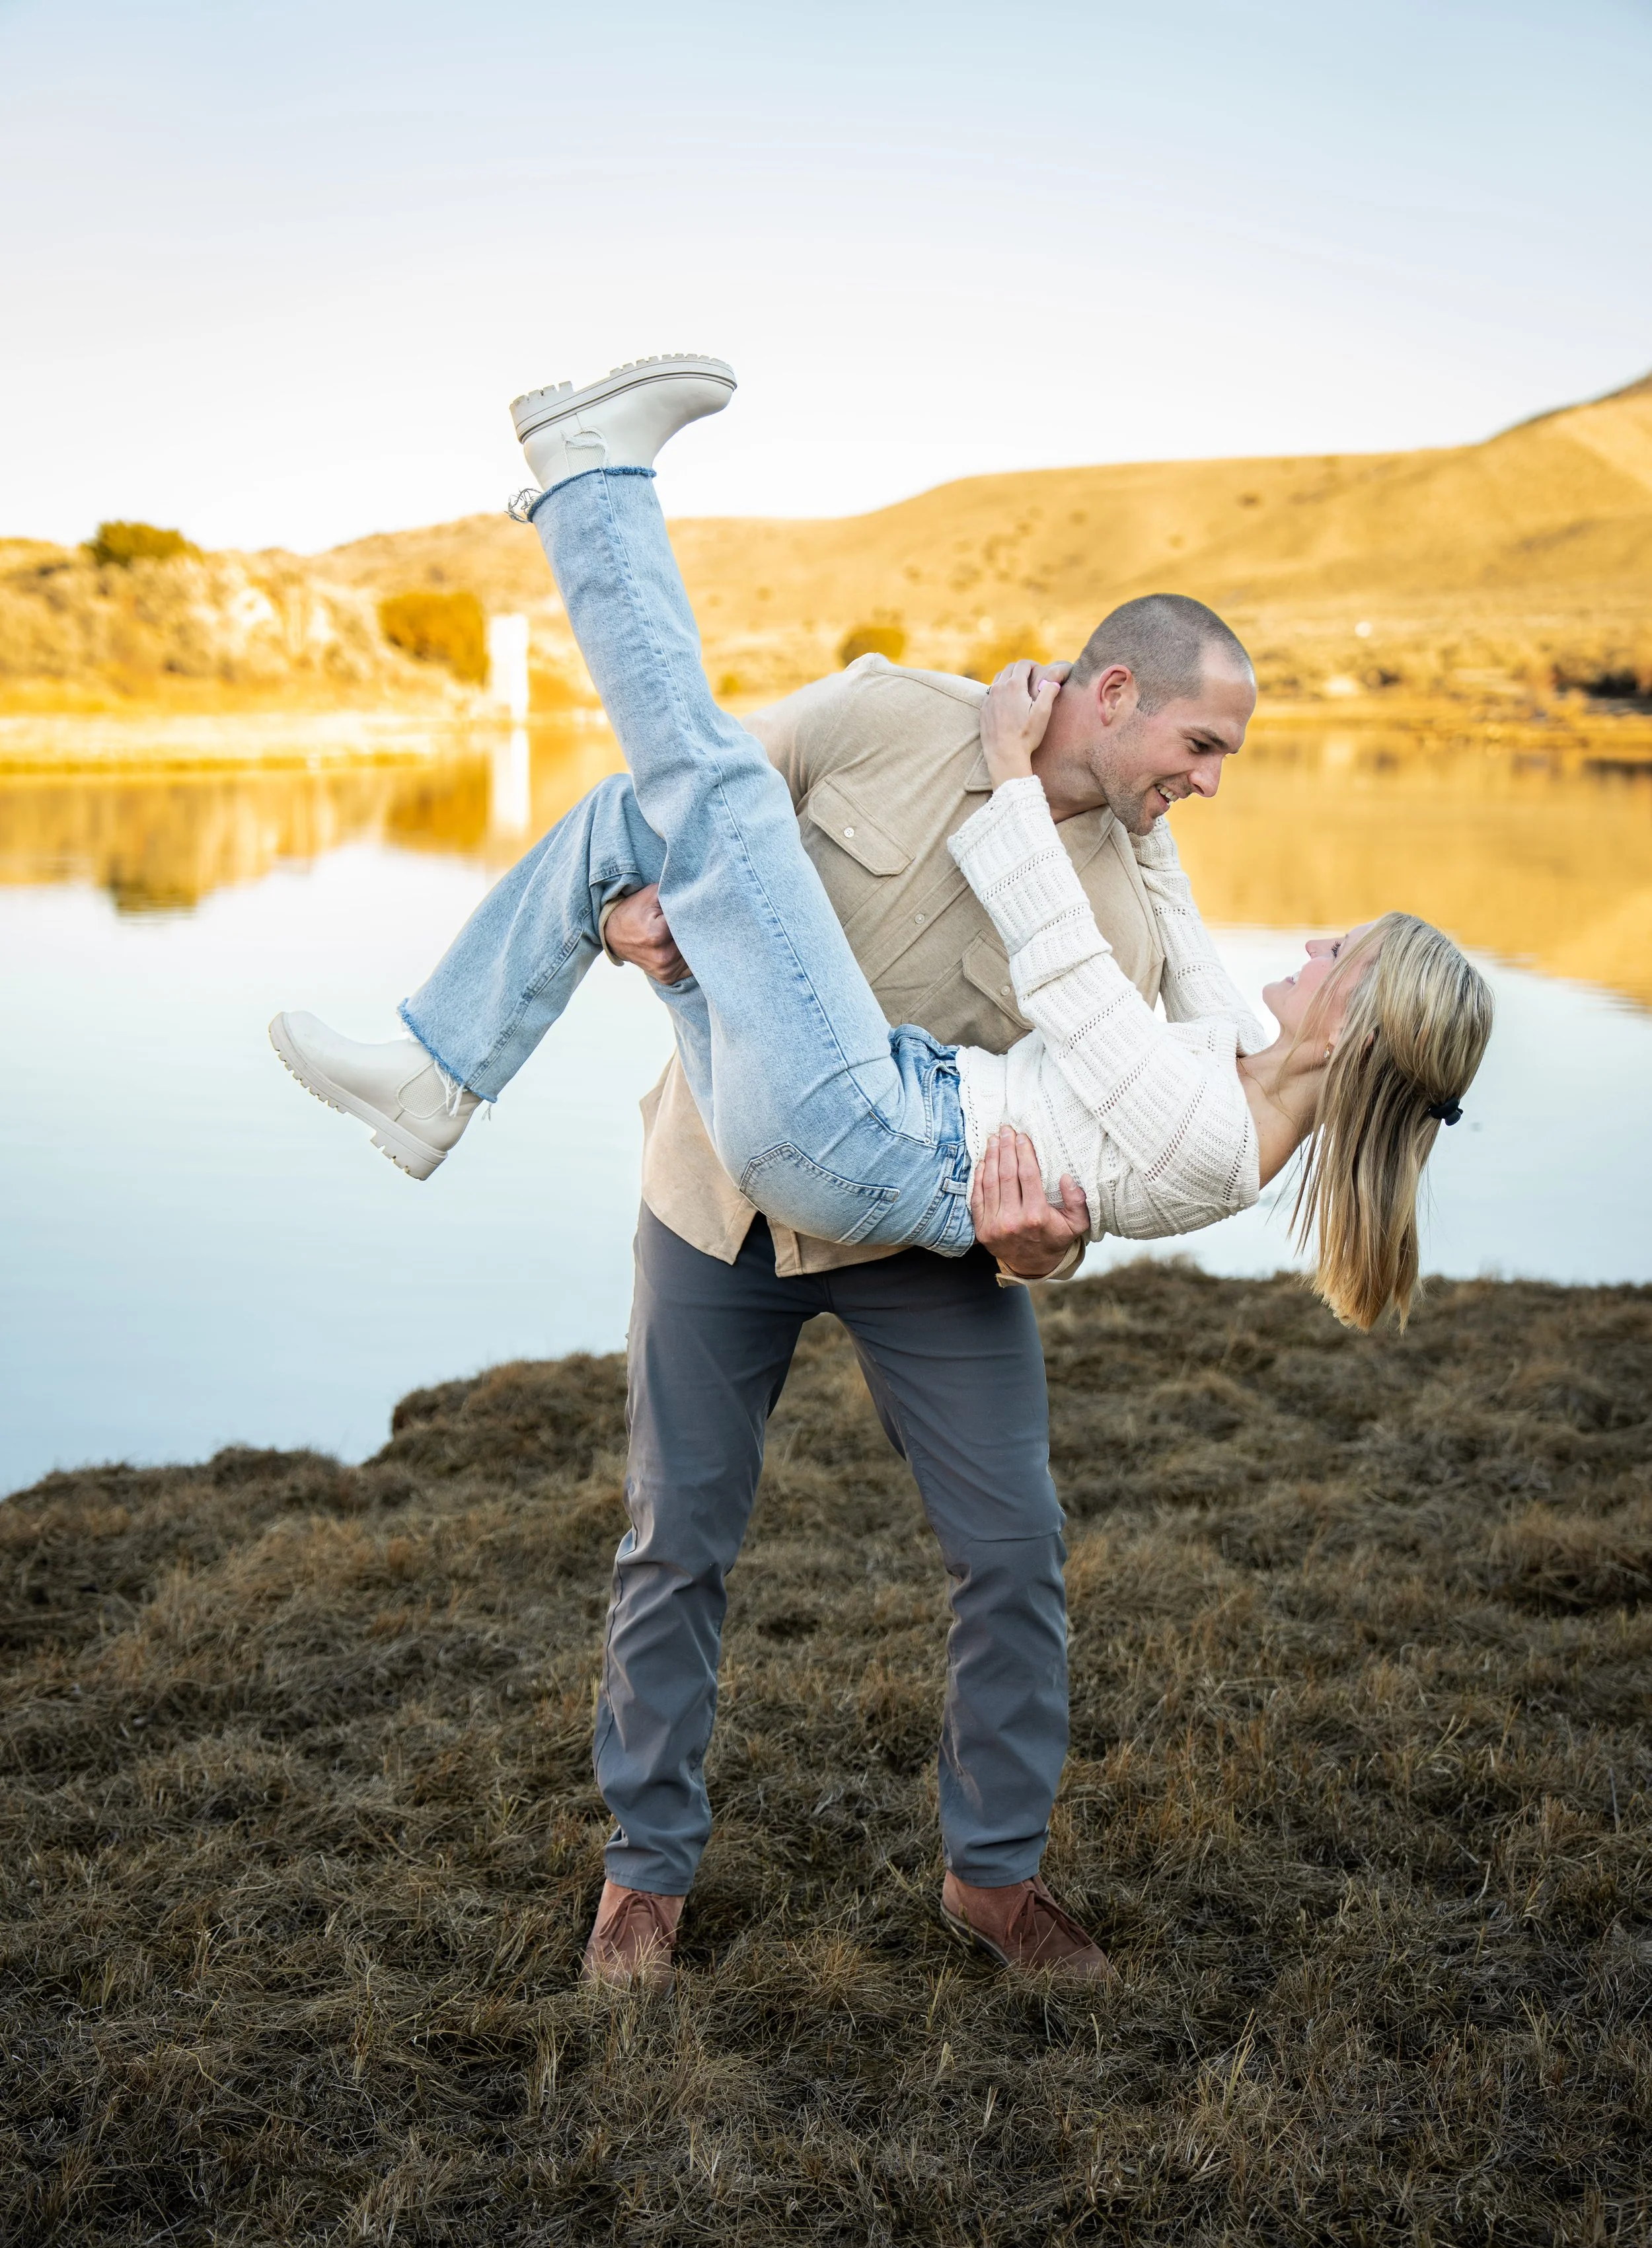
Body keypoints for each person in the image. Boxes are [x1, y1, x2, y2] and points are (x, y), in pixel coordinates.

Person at [274, 356, 1492, 1987]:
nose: (1208, 787)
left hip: (928, 1229)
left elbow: (1096, 1096)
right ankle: (645, 1872)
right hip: (723, 1186)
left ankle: (992, 1881)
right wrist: (642, 922)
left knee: (1014, 1554)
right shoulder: (884, 714)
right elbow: (697, 816)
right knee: (671, 1540)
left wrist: (1046, 1251)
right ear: (1110, 692)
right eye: (1199, 746)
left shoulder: (1115, 930)